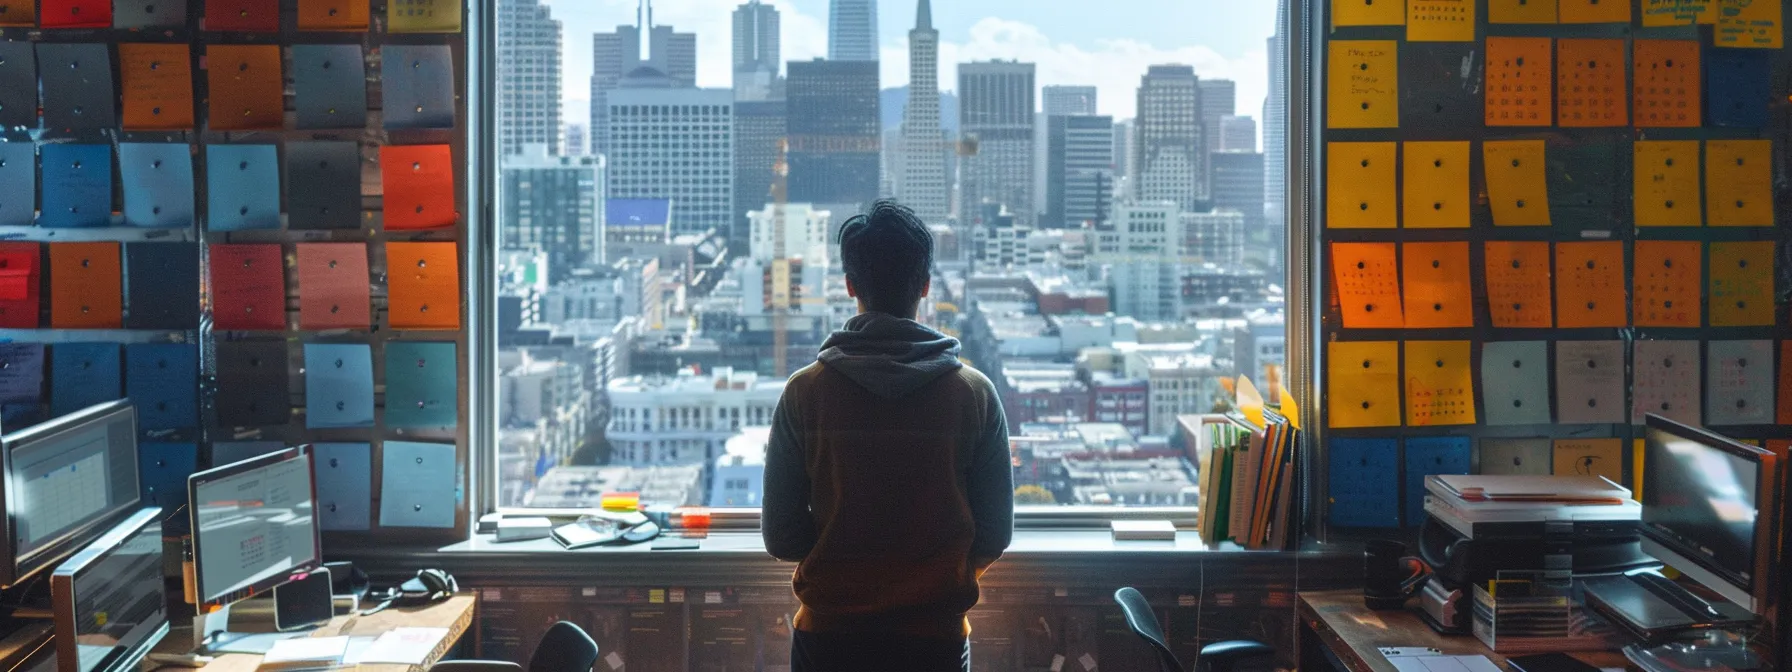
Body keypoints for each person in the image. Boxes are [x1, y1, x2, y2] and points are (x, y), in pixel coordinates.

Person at [762, 200, 1015, 672]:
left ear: (850, 286)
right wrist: (935, 580)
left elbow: (782, 536)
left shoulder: (805, 393)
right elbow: (995, 531)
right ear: (924, 285)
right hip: (934, 642)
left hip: (828, 642)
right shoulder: (973, 395)